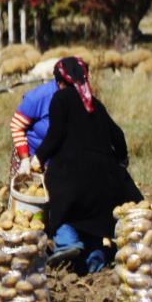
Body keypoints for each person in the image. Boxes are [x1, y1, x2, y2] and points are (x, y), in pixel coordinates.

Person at [33, 57, 142, 272]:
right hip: (105, 178)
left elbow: (55, 135)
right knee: (94, 218)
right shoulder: (94, 103)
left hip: (72, 174)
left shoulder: (60, 99)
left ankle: (67, 242)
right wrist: (121, 161)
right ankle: (95, 259)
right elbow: (117, 135)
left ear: (60, 81)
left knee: (62, 203)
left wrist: (38, 158)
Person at [8, 79, 58, 177]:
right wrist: (25, 160)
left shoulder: (84, 98)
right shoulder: (38, 97)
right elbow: (16, 125)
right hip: (32, 159)